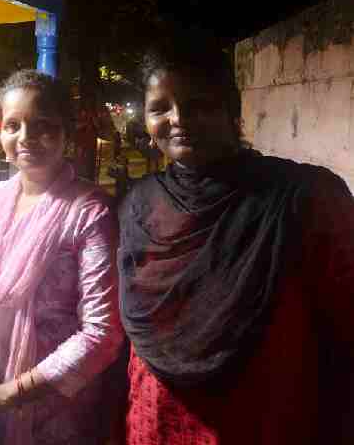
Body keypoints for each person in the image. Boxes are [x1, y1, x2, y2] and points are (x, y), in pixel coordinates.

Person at [119, 47, 354, 444]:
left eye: (198, 104)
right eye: (161, 107)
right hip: (156, 418)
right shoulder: (139, 204)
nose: (178, 119)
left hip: (264, 416)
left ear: (231, 109)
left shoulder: (305, 197)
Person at [0, 70, 125, 445]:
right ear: (0, 132)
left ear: (65, 133)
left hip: (52, 403)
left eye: (42, 126)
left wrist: (10, 394)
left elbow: (102, 334)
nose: (25, 138)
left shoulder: (89, 212)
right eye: (12, 125)